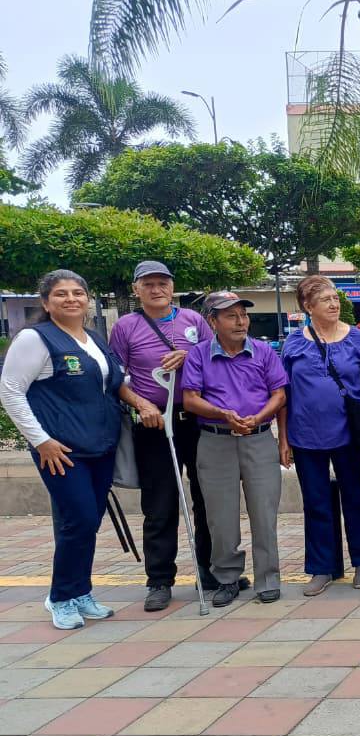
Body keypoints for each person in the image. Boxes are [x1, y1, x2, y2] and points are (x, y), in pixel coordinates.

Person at [0, 270, 131, 630]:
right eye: (61, 294)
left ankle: (80, 591)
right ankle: (60, 597)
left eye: (78, 292)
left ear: (87, 299)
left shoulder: (93, 338)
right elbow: (10, 390)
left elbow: (115, 382)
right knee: (79, 520)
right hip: (60, 450)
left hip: (100, 446)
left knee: (90, 520)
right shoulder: (35, 339)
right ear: (46, 302)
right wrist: (40, 440)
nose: (71, 299)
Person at [107, 260, 220, 612]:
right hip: (154, 425)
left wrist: (191, 356)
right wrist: (141, 404)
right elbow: (115, 379)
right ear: (136, 289)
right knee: (160, 504)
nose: (156, 289)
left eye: (162, 283)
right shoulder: (125, 327)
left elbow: (217, 362)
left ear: (172, 287)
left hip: (196, 422)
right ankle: (159, 579)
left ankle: (210, 570)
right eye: (148, 284)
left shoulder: (194, 320)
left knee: (207, 499)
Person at [182, 292, 288, 606]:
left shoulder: (264, 351)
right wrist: (223, 414)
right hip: (215, 441)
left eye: (243, 315)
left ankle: (268, 578)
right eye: (231, 316)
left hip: (258, 438)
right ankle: (227, 579)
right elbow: (190, 399)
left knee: (264, 513)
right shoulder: (199, 354)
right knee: (220, 517)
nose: (241, 322)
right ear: (212, 322)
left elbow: (280, 394)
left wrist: (259, 417)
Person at [279, 276, 360, 597]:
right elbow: (283, 394)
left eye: (335, 298)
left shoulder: (356, 339)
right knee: (316, 502)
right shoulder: (294, 343)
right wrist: (283, 439)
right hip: (305, 435)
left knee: (354, 497)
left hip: (348, 434)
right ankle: (321, 568)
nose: (334, 304)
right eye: (326, 300)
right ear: (308, 307)